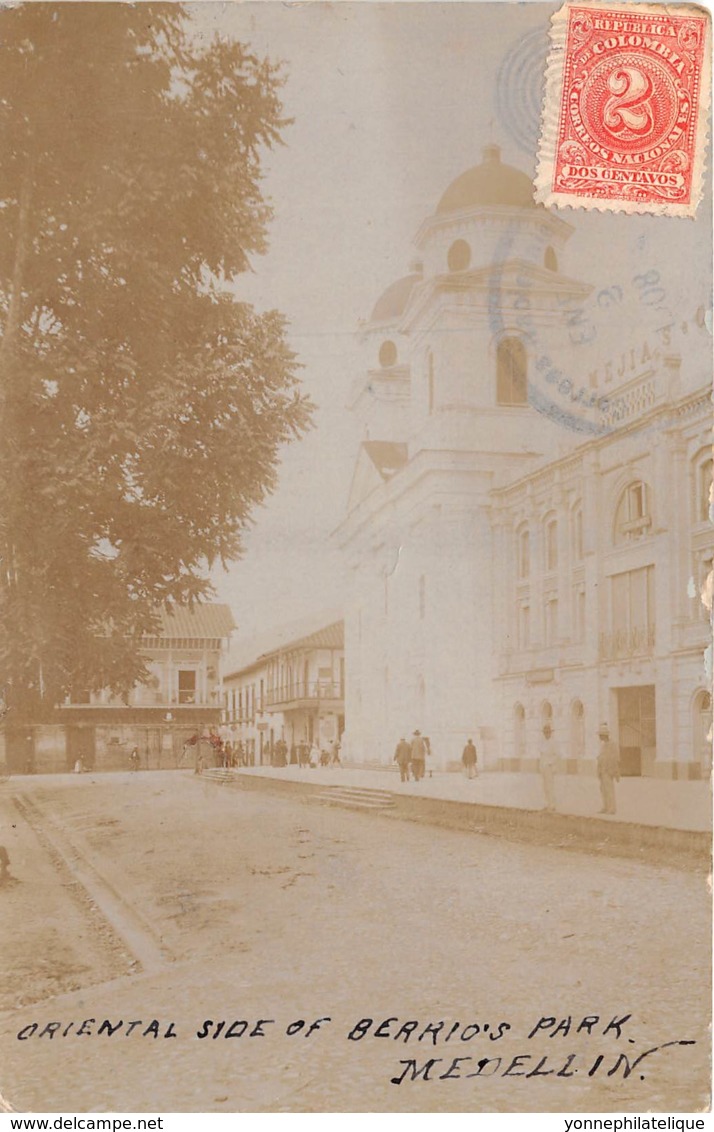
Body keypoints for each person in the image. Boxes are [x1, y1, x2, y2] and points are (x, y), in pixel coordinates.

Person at [597, 723, 620, 815]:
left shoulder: (612, 744)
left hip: (608, 770)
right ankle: (605, 806)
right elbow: (600, 757)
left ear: (605, 735)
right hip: (602, 770)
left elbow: (616, 758)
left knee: (609, 789)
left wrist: (614, 771)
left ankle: (612, 808)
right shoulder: (602, 745)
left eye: (600, 735)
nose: (599, 737)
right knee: (603, 789)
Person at [538, 724, 559, 812]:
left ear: (550, 733)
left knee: (550, 786)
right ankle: (546, 804)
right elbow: (541, 755)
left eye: (548, 732)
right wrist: (541, 765)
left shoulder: (553, 742)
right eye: (545, 733)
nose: (546, 734)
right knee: (545, 787)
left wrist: (551, 763)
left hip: (549, 767)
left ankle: (552, 804)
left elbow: (557, 755)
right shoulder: (542, 742)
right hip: (543, 766)